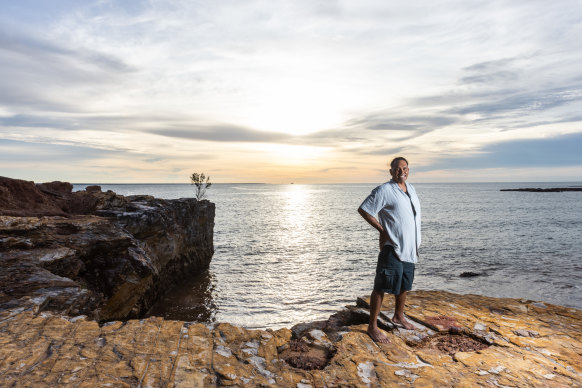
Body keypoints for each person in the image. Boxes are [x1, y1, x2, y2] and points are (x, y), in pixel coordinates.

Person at [358, 157, 421, 343]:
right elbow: (364, 210)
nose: (402, 171)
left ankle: (398, 317)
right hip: (392, 246)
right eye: (397, 168)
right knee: (381, 286)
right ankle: (372, 327)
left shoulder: (412, 190)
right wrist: (382, 230)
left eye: (405, 168)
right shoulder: (384, 190)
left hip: (410, 247)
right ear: (391, 171)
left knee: (404, 285)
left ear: (408, 170)